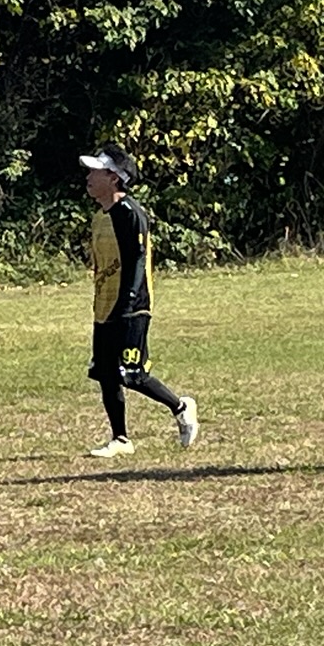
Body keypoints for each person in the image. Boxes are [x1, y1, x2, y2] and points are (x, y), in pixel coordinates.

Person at [80, 145, 198, 457]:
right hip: (105, 305)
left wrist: (129, 300)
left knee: (131, 374)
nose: (88, 177)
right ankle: (120, 439)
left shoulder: (130, 213)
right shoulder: (99, 218)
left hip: (132, 307)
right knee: (106, 373)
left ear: (114, 178)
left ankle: (181, 407)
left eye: (95, 171)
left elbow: (136, 259)